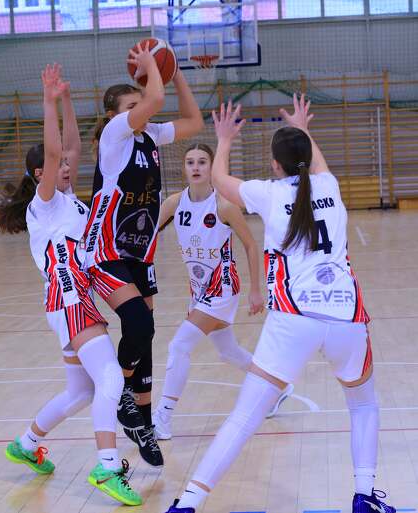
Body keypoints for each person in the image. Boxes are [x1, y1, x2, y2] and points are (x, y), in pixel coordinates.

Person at [165, 96, 395, 513]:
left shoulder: (267, 193)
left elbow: (219, 180)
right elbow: (315, 163)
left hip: (294, 317)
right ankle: (364, 495)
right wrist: (303, 127)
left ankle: (189, 502)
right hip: (346, 316)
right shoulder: (328, 185)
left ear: (274, 165)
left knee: (244, 417)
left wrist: (224, 138)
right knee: (363, 404)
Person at [0, 64, 141, 506]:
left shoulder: (69, 201)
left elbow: (72, 146)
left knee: (81, 392)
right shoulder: (44, 205)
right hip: (69, 295)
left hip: (69, 298)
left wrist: (68, 99)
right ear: (40, 172)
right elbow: (59, 148)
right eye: (56, 165)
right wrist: (47, 101)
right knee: (110, 378)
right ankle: (107, 466)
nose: (66, 166)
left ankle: (25, 443)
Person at [84, 41, 204, 466]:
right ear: (115, 114)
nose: (143, 110)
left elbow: (194, 120)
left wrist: (176, 73)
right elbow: (154, 99)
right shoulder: (115, 135)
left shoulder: (150, 134)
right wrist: (154, 65)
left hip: (140, 250)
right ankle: (122, 396)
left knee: (146, 333)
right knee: (137, 321)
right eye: (132, 106)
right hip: (105, 248)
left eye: (140, 105)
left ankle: (143, 424)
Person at [153, 143, 292, 440]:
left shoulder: (224, 205)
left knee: (179, 346)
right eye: (190, 162)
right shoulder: (175, 203)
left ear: (211, 166)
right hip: (199, 289)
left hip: (222, 286)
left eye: (202, 161)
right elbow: (147, 232)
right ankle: (278, 388)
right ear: (183, 167)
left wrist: (256, 291)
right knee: (228, 351)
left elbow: (251, 245)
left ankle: (162, 417)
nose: (196, 167)